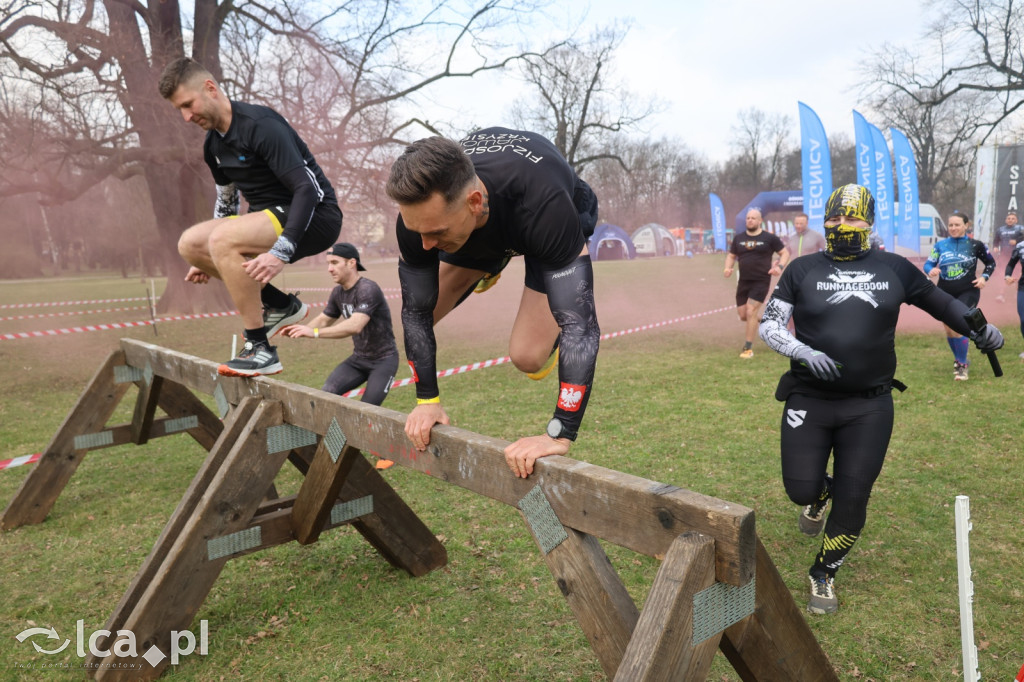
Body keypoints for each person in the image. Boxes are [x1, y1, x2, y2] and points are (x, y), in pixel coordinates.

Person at [758, 184, 1003, 615]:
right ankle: (819, 495)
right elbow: (770, 324)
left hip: (869, 406)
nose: (842, 225)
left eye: (852, 218)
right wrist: (802, 351)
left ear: (869, 222)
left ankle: (824, 572)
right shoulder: (802, 269)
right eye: (835, 218)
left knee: (854, 498)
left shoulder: (894, 268)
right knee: (801, 490)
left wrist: (977, 328)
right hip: (809, 398)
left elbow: (942, 303)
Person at [386, 128, 600, 479]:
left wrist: (558, 433)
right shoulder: (419, 222)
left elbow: (581, 325)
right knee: (426, 310)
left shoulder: (543, 204)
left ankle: (495, 257)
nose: (425, 245)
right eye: (418, 231)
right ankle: (492, 259)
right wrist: (427, 401)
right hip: (482, 229)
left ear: (473, 202)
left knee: (527, 357)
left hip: (545, 221)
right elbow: (416, 313)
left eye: (436, 233)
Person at [158, 57, 342, 377]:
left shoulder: (261, 125)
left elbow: (306, 190)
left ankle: (259, 349)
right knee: (189, 244)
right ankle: (282, 305)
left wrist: (279, 254)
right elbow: (227, 204)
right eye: (179, 111)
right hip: (269, 217)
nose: (186, 117)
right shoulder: (213, 146)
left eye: (188, 104)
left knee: (222, 239)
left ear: (210, 88)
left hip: (315, 215)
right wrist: (204, 255)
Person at [280, 243, 399, 406]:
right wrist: (302, 329)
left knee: (367, 410)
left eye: (334, 263)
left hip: (383, 361)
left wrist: (314, 333)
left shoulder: (368, 289)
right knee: (326, 396)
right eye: (328, 263)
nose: (329, 268)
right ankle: (326, 432)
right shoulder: (338, 292)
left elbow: (354, 326)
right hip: (358, 360)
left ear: (351, 263)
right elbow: (324, 319)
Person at [923, 211, 995, 380]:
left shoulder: (976, 244)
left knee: (958, 324)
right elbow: (928, 263)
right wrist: (930, 270)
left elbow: (991, 262)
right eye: (951, 225)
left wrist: (984, 277)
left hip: (968, 291)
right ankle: (959, 360)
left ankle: (962, 365)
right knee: (948, 329)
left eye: (957, 225)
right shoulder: (940, 245)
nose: (953, 228)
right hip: (943, 289)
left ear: (966, 226)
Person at [724, 209, 789, 358]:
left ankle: (748, 348)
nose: (750, 220)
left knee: (751, 310)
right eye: (748, 218)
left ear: (760, 221)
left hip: (761, 281)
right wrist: (728, 268)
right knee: (743, 315)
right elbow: (731, 255)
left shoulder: (770, 238)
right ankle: (767, 321)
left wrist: (779, 267)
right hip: (743, 281)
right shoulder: (738, 238)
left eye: (753, 218)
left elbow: (784, 253)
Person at [991, 211, 1021, 303]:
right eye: (1008, 218)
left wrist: (1016, 241)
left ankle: (1018, 293)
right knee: (1003, 275)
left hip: (1017, 256)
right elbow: (996, 240)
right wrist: (995, 247)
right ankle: (1001, 294)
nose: (1010, 220)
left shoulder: (1020, 229)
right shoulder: (1000, 230)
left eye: (1012, 219)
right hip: (1004, 256)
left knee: (1018, 275)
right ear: (1005, 220)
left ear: (1016, 220)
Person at [1003, 238, 1024, 358]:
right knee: (1023, 319)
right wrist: (1007, 276)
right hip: (1023, 287)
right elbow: (1011, 264)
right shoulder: (1020, 247)